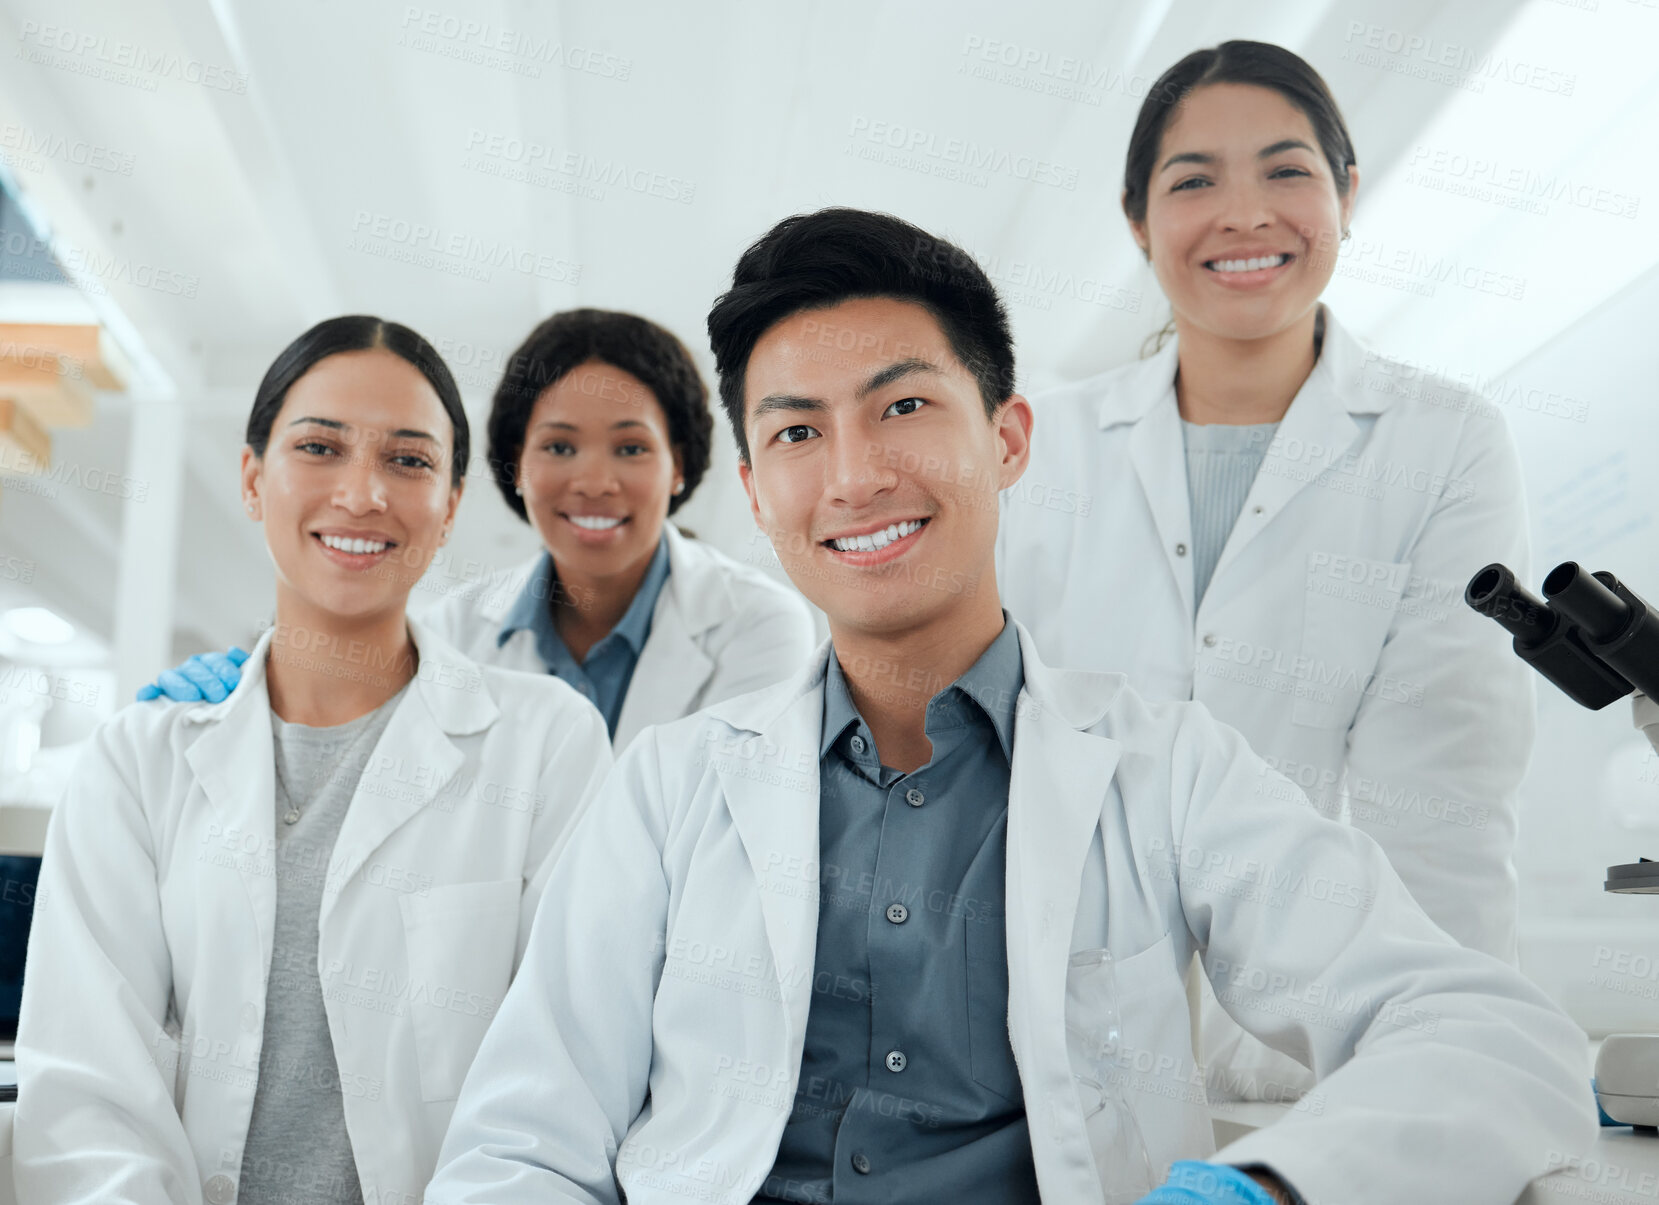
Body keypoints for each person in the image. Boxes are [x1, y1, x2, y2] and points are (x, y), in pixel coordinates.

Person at [423, 209, 1592, 1205]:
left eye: (903, 407)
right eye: (795, 431)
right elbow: (521, 1143)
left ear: (1009, 436)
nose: (853, 474)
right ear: (752, 492)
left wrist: (1268, 1186)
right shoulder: (673, 786)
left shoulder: (1160, 767)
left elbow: (1495, 1036)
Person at [994, 41, 1533, 1101]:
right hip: (1054, 1023)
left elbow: (1444, 792)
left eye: (1286, 171)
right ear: (1137, 218)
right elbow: (995, 752)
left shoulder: (1445, 440)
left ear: (1346, 194)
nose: (1244, 213)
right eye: (1194, 180)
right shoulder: (1037, 448)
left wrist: (1433, 1053)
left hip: (1331, 1020)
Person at [14, 317, 613, 1205]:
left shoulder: (545, 745)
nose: (363, 492)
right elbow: (89, 1095)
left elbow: (559, 1082)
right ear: (254, 479)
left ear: (449, 505)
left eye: (409, 460)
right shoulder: (138, 762)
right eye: (320, 447)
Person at [142, 308, 817, 751]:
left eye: (631, 448)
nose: (592, 480)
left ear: (681, 467)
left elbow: (728, 832)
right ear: (514, 469)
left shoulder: (758, 625)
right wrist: (256, 697)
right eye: (557, 447)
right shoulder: (452, 632)